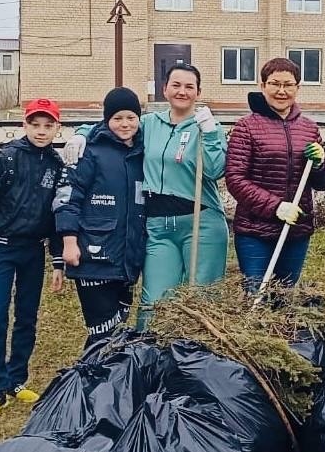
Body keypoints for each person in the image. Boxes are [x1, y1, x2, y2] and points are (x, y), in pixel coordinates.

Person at [64, 64, 228, 327]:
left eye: (189, 87)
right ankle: (150, 351)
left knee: (203, 299)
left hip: (200, 222)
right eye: (176, 85)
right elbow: (114, 124)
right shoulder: (149, 124)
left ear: (198, 92)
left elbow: (214, 170)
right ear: (165, 89)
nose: (182, 91)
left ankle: (199, 352)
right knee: (154, 302)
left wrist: (209, 134)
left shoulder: (208, 127)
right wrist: (81, 134)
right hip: (158, 225)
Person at [0, 98, 65, 418]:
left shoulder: (55, 164)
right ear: (25, 125)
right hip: (1, 248)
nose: (41, 131)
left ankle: (16, 379)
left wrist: (57, 260)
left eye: (48, 125)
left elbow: (57, 213)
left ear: (57, 128)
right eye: (35, 125)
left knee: (27, 316)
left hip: (33, 251)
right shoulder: (7, 157)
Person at [225, 57, 325, 289]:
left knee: (284, 298)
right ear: (263, 85)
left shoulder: (309, 128)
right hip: (255, 231)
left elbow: (323, 182)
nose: (281, 91)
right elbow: (235, 179)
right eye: (275, 84)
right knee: (255, 293)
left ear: (297, 88)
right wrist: (276, 207)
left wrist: (319, 164)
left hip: (296, 231)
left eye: (288, 85)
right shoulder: (246, 127)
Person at [54, 87, 146, 346]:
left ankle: (106, 369)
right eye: (117, 118)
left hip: (126, 258)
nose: (125, 124)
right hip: (93, 255)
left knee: (117, 327)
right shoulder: (89, 151)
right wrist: (69, 242)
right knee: (102, 331)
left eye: (131, 117)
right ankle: (92, 369)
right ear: (106, 120)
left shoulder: (142, 150)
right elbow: (68, 197)